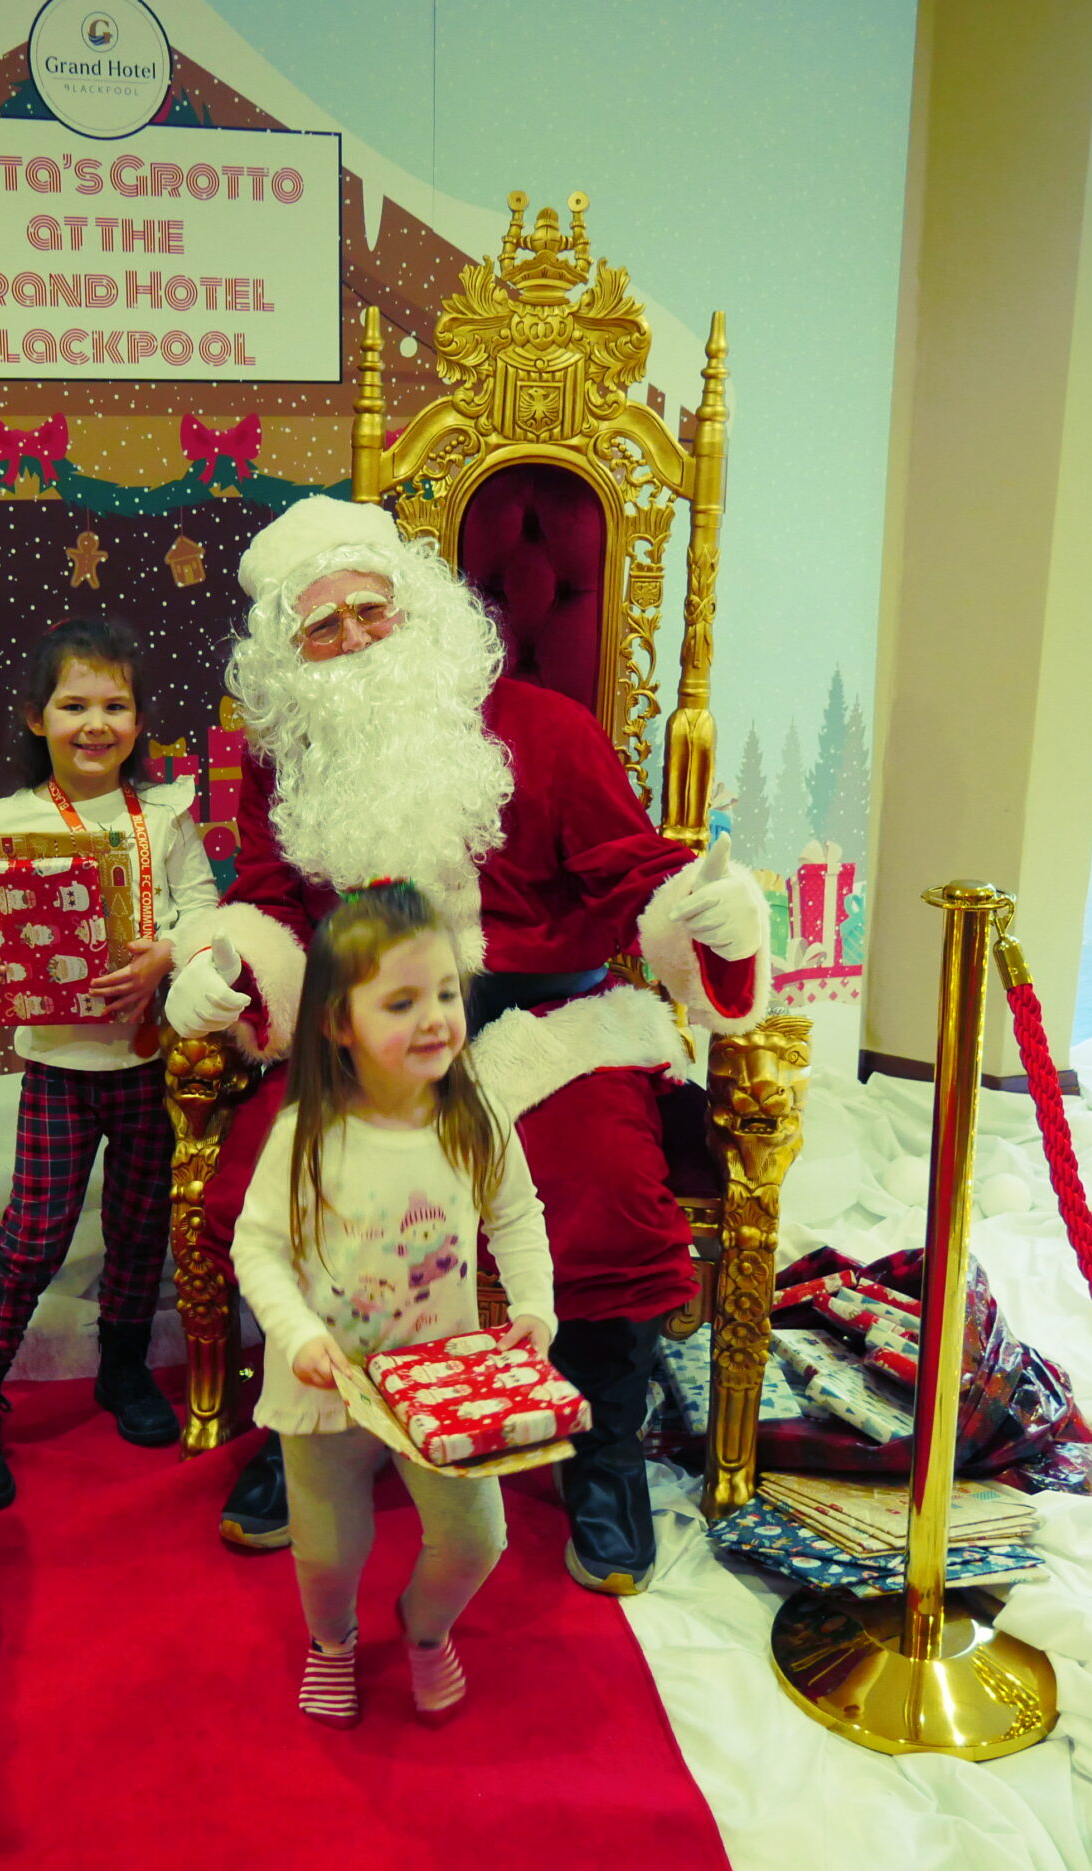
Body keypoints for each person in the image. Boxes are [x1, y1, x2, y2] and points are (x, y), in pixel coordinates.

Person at [167, 496, 769, 1595]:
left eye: (370, 610)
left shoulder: (547, 728)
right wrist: (230, 971)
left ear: (417, 608)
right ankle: (314, 1418)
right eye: (322, 626)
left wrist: (708, 917)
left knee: (603, 1187)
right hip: (366, 1042)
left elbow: (632, 872)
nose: (355, 638)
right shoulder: (285, 761)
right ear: (289, 656)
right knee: (265, 1181)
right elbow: (269, 904)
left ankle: (602, 1448)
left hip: (549, 1029)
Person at [231, 882, 554, 1725]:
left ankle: (424, 1625)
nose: (436, 1019)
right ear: (340, 1024)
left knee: (478, 1539)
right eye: (401, 1002)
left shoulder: (475, 1117)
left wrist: (533, 1308)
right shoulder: (308, 1134)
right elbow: (257, 1247)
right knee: (328, 1552)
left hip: (443, 1386)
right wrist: (297, 1334)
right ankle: (332, 1640)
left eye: (446, 993)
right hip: (328, 1387)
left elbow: (517, 1215)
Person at [0, 618, 218, 1508]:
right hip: (60, 1068)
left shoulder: (167, 813)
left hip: (153, 1062)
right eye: (74, 705)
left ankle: (123, 1367)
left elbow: (203, 909)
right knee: (34, 1235)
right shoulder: (4, 821)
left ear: (138, 720)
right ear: (37, 718)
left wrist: (168, 953)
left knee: (141, 1228)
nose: (95, 723)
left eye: (115, 705)